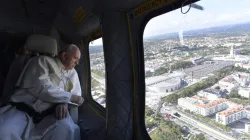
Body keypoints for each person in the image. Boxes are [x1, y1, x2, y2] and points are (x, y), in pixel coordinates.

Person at [0, 44, 84, 140]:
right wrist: (68, 97)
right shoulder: (41, 61)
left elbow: (75, 93)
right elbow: (41, 87)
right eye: (75, 59)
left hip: (51, 113)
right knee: (3, 129)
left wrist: (64, 103)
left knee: (66, 131)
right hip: (23, 109)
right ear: (65, 56)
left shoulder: (73, 73)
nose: (77, 63)